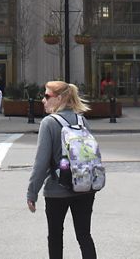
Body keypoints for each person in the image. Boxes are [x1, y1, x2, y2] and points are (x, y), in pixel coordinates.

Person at [26, 80, 97, 259]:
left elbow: (41, 162)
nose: (43, 100)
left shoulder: (49, 123)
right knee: (84, 235)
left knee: (55, 236)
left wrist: (32, 192)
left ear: (59, 99)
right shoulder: (82, 120)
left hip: (57, 189)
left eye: (47, 96)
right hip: (84, 186)